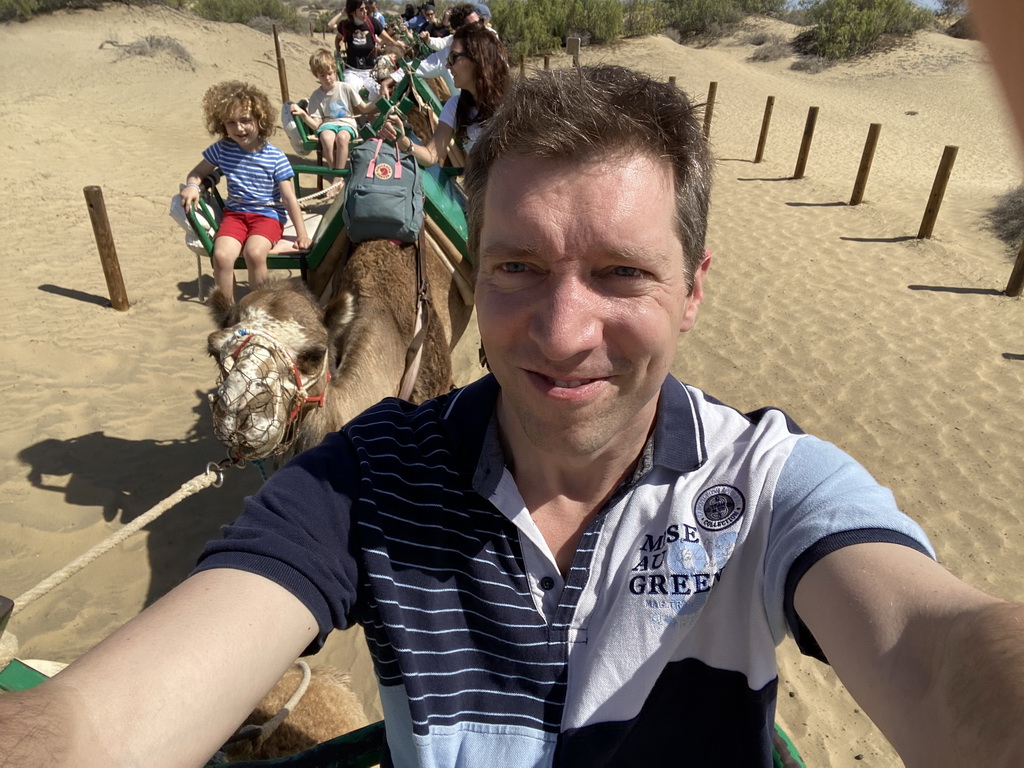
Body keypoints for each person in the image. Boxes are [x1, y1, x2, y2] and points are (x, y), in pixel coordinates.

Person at [4, 64, 1024, 768]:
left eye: (620, 272)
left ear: (694, 288)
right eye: (517, 268)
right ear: (478, 273)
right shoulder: (360, 480)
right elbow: (106, 719)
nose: (562, 331)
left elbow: (948, 659)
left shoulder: (767, 486)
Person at [179, 81, 311, 304]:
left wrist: (302, 234)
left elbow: (289, 198)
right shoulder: (222, 149)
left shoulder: (275, 157)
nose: (239, 128)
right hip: (235, 215)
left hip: (267, 216)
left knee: (255, 253)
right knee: (221, 256)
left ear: (260, 120)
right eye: (231, 123)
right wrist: (193, 185)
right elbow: (198, 172)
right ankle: (227, 310)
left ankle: (258, 307)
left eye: (245, 121)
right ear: (222, 125)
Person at [380, 21, 508, 166]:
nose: (447, 65)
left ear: (477, 58)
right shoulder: (454, 107)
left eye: (453, 58)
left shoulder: (514, 104)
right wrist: (402, 141)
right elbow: (431, 156)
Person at [290, 48, 379, 187]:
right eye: (322, 75)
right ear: (317, 76)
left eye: (330, 73)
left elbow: (364, 108)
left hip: (347, 122)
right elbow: (316, 124)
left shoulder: (345, 88)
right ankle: (336, 176)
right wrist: (303, 114)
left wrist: (380, 102)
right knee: (326, 137)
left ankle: (337, 177)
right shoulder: (316, 96)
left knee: (342, 137)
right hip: (328, 123)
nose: (327, 78)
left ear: (335, 71)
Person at [383, 3, 482, 100]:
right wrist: (390, 79)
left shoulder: (490, 45)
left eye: (480, 22)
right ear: (460, 29)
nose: (480, 28)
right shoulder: (448, 55)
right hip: (466, 110)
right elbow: (420, 66)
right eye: (474, 25)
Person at [329, 0, 400, 101]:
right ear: (353, 12)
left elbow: (388, 39)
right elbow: (338, 37)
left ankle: (369, 115)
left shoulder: (372, 22)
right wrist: (338, 50)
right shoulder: (346, 25)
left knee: (380, 94)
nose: (365, 11)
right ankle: (357, 114)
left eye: (366, 8)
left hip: (370, 72)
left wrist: (398, 46)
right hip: (352, 71)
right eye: (361, 9)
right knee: (350, 91)